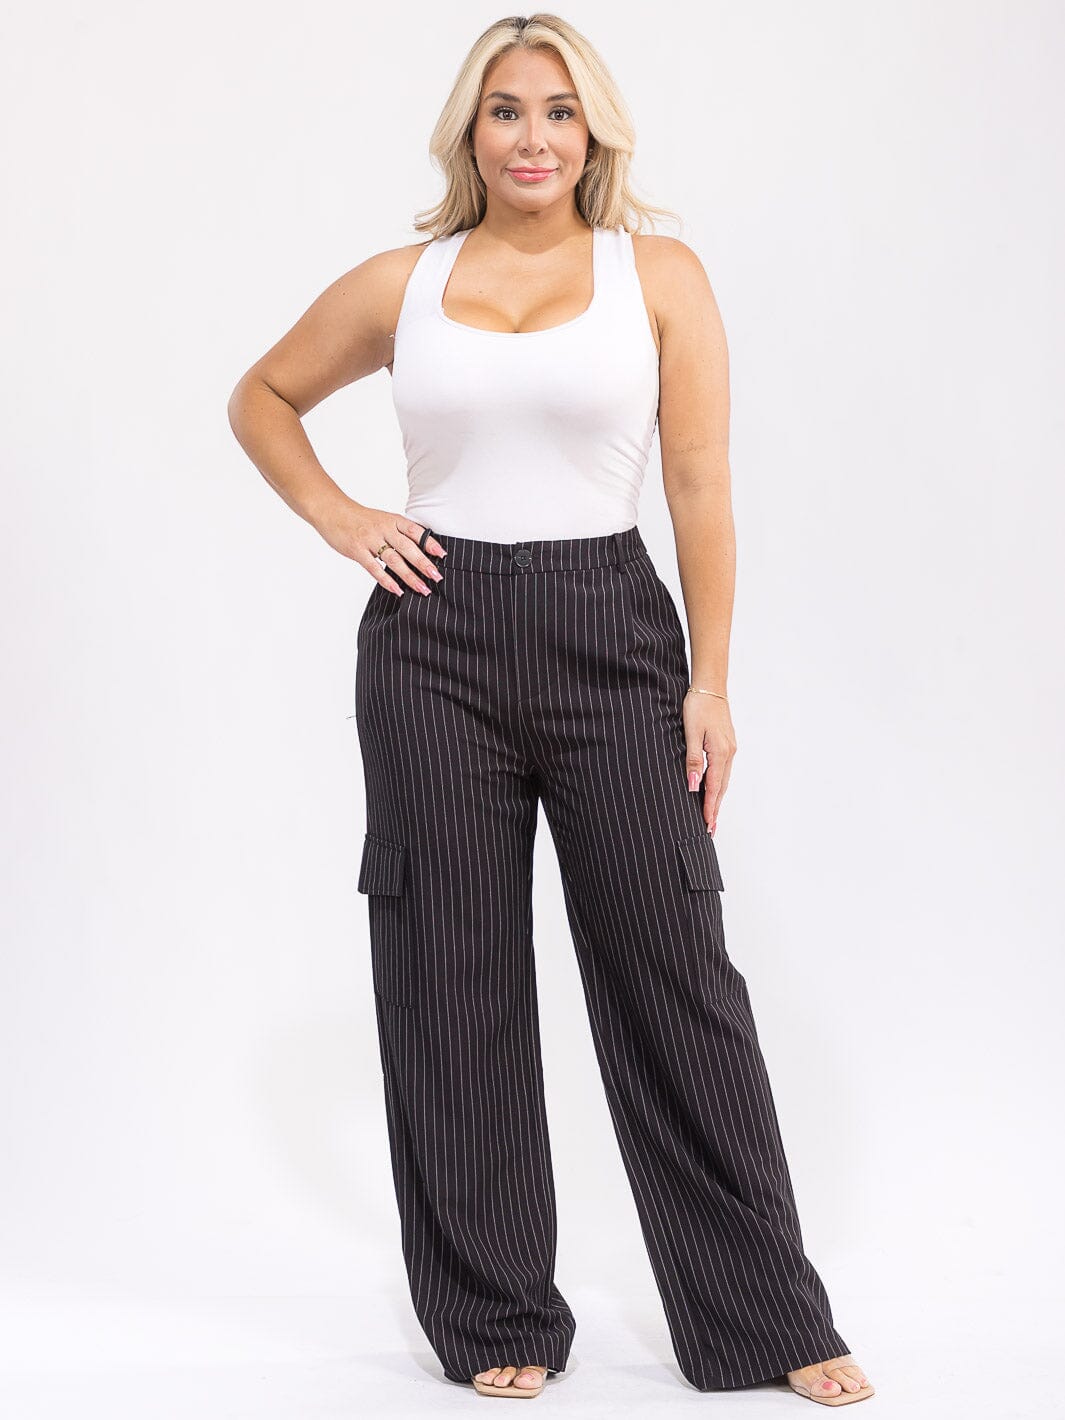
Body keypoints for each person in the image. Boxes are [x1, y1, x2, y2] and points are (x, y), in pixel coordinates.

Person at [227, 12, 875, 1408]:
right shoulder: (402, 282)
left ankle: (766, 1319)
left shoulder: (657, 274)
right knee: (448, 973)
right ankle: (494, 1314)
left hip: (611, 632)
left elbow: (698, 483)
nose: (534, 137)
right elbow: (263, 395)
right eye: (508, 111)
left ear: (596, 133)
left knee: (674, 972)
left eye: (560, 111)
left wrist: (710, 682)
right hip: (432, 642)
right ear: (470, 132)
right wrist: (344, 517)